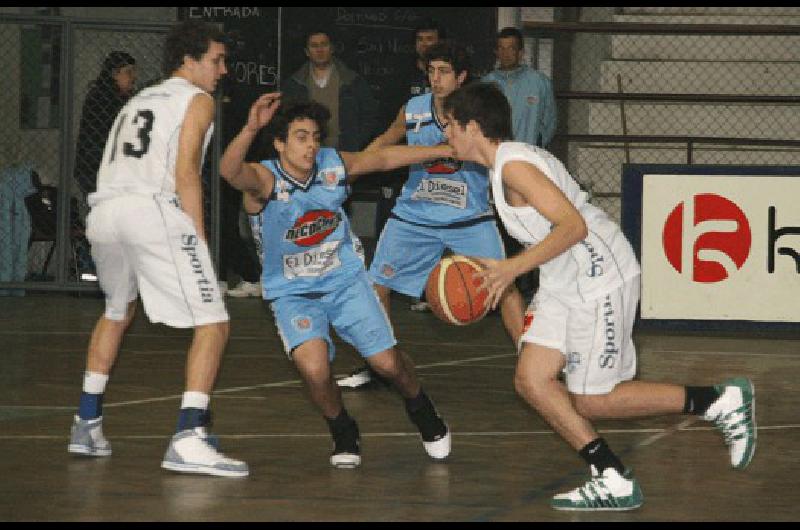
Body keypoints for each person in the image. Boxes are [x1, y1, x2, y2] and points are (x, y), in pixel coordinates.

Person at [442, 82, 756, 511]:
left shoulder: (514, 167)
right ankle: (611, 475)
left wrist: (513, 268)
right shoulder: (505, 164)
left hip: (599, 276)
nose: (447, 136)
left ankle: (718, 400)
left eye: (450, 127)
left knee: (592, 398)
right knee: (531, 380)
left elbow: (574, 227)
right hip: (563, 279)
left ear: (472, 126)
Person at [220, 94, 453, 468]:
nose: (311, 144)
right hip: (293, 293)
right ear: (279, 143)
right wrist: (250, 127)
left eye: (315, 136)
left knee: (388, 365)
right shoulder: (263, 180)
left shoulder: (331, 166)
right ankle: (343, 429)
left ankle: (422, 409)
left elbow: (383, 158)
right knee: (314, 370)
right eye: (300, 137)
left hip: (344, 282)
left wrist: (442, 149)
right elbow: (229, 171)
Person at [67, 20, 249, 478]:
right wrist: (200, 241)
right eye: (216, 60)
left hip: (105, 211)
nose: (222, 70)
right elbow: (187, 171)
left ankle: (86, 424)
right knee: (214, 321)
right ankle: (188, 438)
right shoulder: (198, 99)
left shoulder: (141, 97)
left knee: (116, 311)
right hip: (151, 211)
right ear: (188, 61)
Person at [337, 42, 526, 390]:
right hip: (415, 217)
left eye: (444, 72)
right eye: (431, 72)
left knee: (507, 285)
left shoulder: (477, 112)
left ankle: (530, 361)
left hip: (469, 218)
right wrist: (352, 168)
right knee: (376, 285)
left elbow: (502, 153)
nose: (436, 79)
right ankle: (381, 364)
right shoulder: (414, 109)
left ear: (462, 77)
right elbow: (386, 141)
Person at [374, 18, 447, 313]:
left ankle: (438, 288)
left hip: (460, 194)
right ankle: (380, 354)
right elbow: (391, 130)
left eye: (431, 39)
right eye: (421, 40)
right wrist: (357, 164)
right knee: (381, 269)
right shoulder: (404, 87)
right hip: (412, 179)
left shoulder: (467, 102)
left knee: (498, 279)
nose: (426, 45)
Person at [482, 26, 557, 299]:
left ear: (521, 52)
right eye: (500, 48)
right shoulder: (487, 85)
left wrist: (532, 151)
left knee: (529, 222)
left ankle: (526, 281)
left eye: (511, 48)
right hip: (493, 167)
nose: (506, 53)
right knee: (499, 223)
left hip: (526, 166)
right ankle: (498, 281)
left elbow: (549, 125)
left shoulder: (539, 83)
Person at [73, 51, 138, 280]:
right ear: (114, 74)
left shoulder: (116, 98)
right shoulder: (105, 98)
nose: (132, 78)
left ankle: (107, 270)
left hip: (104, 171)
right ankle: (94, 270)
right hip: (96, 170)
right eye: (128, 73)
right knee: (103, 222)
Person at [281, 29, 379, 152]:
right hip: (306, 153)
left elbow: (369, 116)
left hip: (345, 154)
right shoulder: (295, 84)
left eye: (324, 44)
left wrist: (356, 143)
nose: (319, 50)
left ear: (332, 48)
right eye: (314, 46)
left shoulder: (353, 81)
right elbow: (285, 120)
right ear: (307, 52)